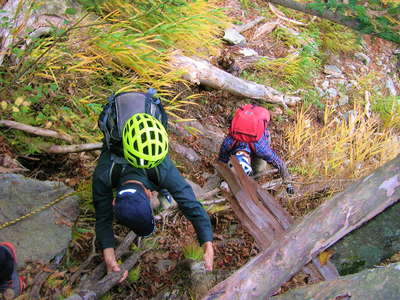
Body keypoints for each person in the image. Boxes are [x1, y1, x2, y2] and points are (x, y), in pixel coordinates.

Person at [92, 93, 214, 282]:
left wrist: (208, 244)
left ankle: (164, 191)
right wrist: (207, 242)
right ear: (150, 194)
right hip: (130, 146)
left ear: (114, 200)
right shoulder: (105, 172)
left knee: (168, 185)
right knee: (171, 186)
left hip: (145, 148)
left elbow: (103, 216)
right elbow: (191, 204)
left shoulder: (107, 175)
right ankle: (163, 192)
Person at [218, 104, 295, 194]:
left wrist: (288, 183)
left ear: (249, 160)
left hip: (259, 138)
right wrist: (224, 180)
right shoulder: (228, 143)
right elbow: (222, 162)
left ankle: (252, 180)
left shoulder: (261, 149)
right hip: (247, 136)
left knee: (259, 168)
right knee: (234, 169)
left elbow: (279, 163)